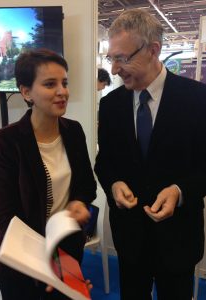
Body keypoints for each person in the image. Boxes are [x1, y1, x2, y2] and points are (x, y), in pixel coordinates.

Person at [94, 8, 206, 300]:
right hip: (130, 240)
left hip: (178, 239)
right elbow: (104, 162)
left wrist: (180, 191)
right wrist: (114, 183)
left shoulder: (197, 99)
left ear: (153, 50)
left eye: (122, 58)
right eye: (112, 58)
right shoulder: (111, 105)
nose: (115, 69)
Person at [0, 48, 96, 300]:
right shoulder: (6, 140)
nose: (62, 91)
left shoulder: (73, 131)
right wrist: (46, 263)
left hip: (67, 250)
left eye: (64, 83)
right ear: (26, 92)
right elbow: (5, 216)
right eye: (50, 84)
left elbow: (86, 185)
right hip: (23, 261)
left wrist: (79, 202)